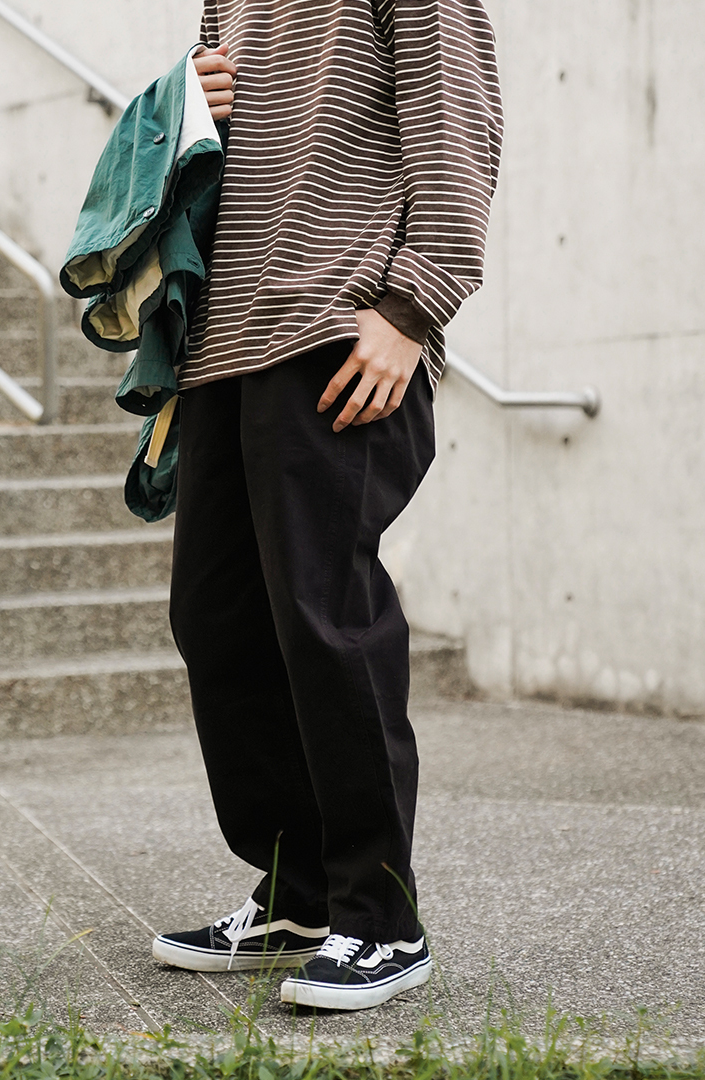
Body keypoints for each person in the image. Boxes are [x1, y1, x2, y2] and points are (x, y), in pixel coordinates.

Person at [152, 0, 504, 1011]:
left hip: (337, 332)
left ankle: (381, 919)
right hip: (224, 343)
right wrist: (188, 99)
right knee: (217, 624)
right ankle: (299, 896)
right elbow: (215, 145)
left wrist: (413, 306)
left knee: (326, 623)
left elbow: (459, 120)